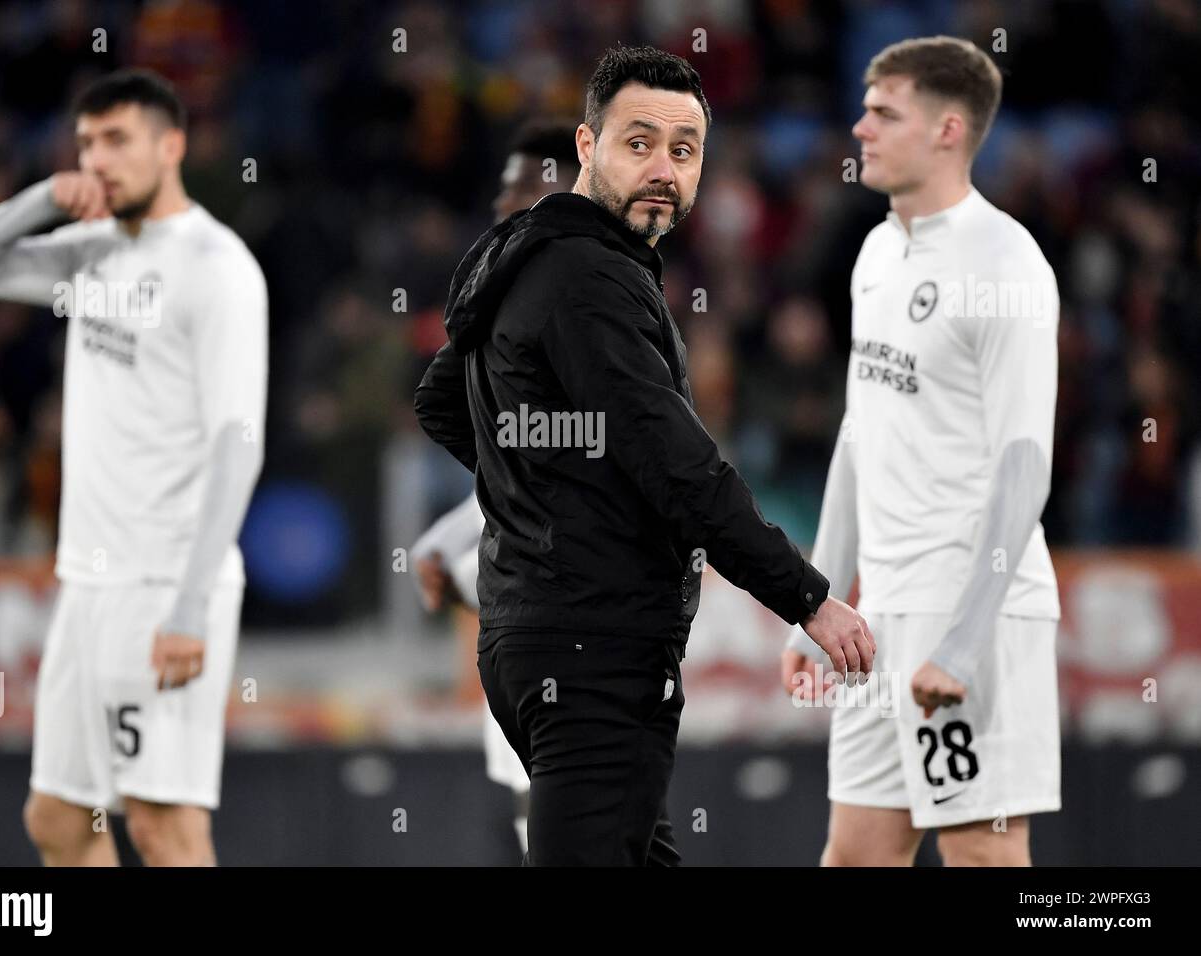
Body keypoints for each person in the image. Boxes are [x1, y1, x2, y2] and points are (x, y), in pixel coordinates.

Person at [416, 44, 873, 866]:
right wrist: (808, 597)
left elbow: (444, 402)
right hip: (594, 645)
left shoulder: (519, 255)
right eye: (639, 143)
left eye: (684, 150)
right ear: (587, 148)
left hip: (528, 637)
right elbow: (677, 467)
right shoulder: (592, 278)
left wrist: (547, 483)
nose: (663, 168)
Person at [0, 68, 268, 866]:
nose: (98, 160)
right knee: (57, 818)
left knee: (162, 826)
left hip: (165, 586)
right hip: (87, 583)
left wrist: (188, 605)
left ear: (171, 145)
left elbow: (237, 442)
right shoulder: (89, 255)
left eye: (117, 140)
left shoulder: (218, 268)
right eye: (85, 144)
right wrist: (46, 198)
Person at [780, 36, 1061, 867]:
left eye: (883, 112)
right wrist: (817, 605)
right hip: (881, 614)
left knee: (982, 855)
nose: (859, 128)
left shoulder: (1005, 261)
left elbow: (1025, 461)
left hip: (970, 606)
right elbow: (861, 430)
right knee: (858, 856)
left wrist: (966, 640)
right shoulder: (875, 254)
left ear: (946, 129)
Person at [411, 120, 581, 858]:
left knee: (573, 820)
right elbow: (521, 467)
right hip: (524, 605)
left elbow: (580, 464)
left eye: (521, 183)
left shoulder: (586, 299)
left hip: (580, 612)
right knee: (537, 815)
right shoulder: (515, 304)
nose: (500, 198)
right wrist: (450, 538)